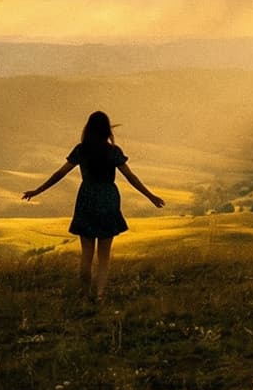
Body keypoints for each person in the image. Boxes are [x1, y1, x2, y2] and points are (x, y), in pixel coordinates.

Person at [23, 110, 164, 301]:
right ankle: (100, 295)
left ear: (88, 129)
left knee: (86, 254)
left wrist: (37, 191)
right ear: (107, 130)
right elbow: (131, 177)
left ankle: (85, 293)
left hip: (87, 198)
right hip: (108, 199)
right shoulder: (113, 152)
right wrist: (151, 196)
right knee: (104, 256)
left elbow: (60, 174)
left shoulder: (81, 150)